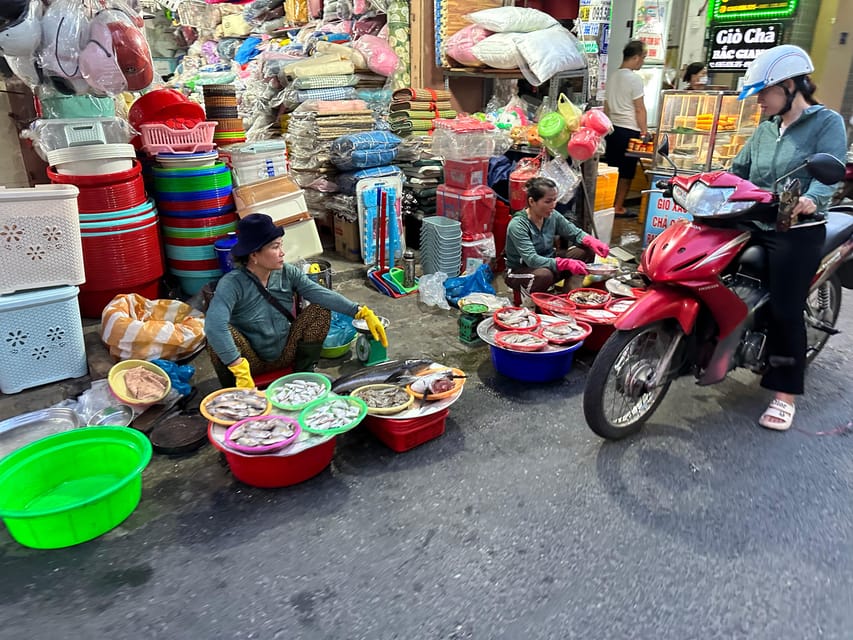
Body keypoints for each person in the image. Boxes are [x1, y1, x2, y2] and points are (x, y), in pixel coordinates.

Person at [731, 44, 847, 431]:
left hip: (797, 230)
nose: (759, 101)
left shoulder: (826, 122)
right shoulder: (765, 128)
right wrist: (708, 181)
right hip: (757, 221)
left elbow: (829, 172)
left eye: (765, 92)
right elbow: (739, 170)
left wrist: (812, 200)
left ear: (791, 86)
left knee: (785, 308)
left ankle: (784, 394)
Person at [205, 213, 387, 388]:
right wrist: (238, 365)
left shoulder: (287, 272)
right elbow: (214, 325)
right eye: (275, 247)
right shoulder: (232, 283)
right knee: (216, 336)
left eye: (280, 246)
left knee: (320, 310)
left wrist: (359, 310)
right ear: (254, 254)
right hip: (249, 361)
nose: (282, 253)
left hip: (286, 351)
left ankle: (304, 372)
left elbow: (319, 293)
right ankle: (236, 390)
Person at [503, 177, 610, 294]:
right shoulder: (518, 225)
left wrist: (591, 241)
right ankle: (531, 304)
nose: (553, 205)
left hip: (549, 263)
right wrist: (563, 263)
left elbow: (575, 233)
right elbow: (532, 260)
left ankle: (571, 295)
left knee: (587, 251)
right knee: (544, 275)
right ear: (532, 201)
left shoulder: (552, 216)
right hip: (520, 271)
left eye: (555, 200)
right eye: (548, 201)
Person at [603, 40, 648, 218]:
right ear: (636, 57)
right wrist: (644, 132)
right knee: (627, 173)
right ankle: (618, 206)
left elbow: (606, 107)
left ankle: (607, 205)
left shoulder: (611, 76)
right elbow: (639, 108)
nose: (643, 62)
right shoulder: (634, 79)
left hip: (612, 130)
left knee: (613, 169)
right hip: (629, 130)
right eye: (643, 58)